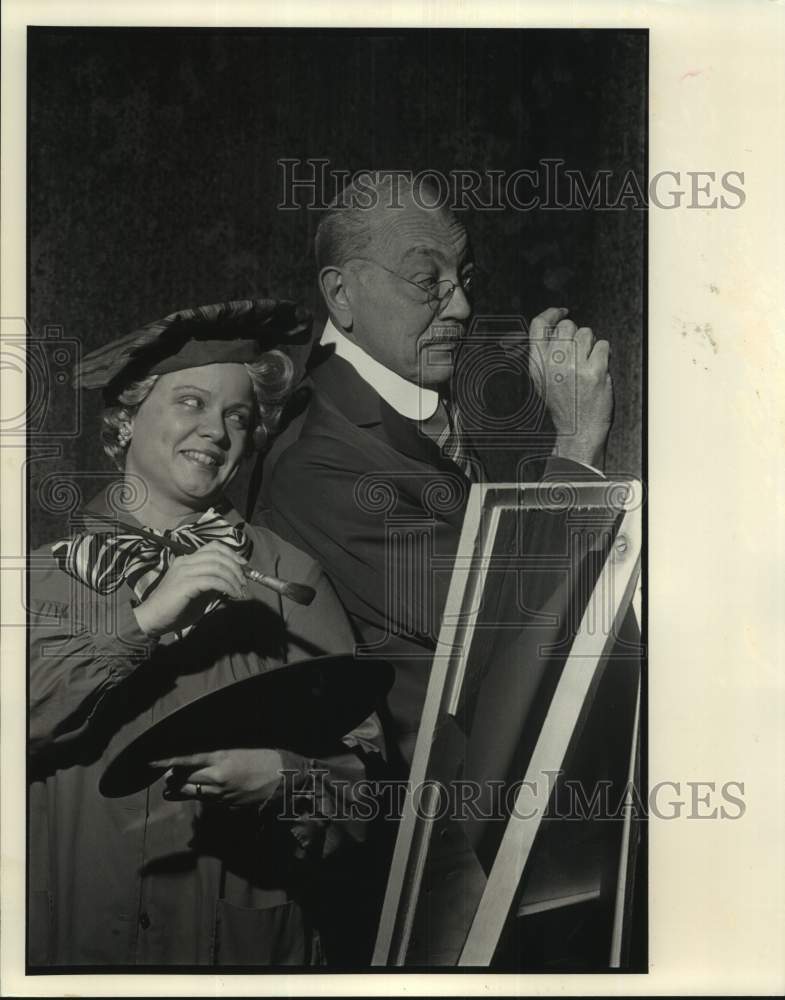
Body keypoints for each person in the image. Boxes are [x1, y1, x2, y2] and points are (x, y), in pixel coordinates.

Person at [28, 299, 385, 967]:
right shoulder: (41, 579)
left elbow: (363, 787)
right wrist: (142, 619)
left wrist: (284, 779)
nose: (216, 431)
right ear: (127, 418)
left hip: (231, 950)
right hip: (68, 941)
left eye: (238, 417)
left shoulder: (289, 574)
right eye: (190, 403)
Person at [262, 174, 615, 769]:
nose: (463, 307)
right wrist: (577, 440)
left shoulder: (407, 405)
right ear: (341, 294)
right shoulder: (316, 462)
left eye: (465, 279)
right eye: (429, 282)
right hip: (437, 831)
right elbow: (507, 628)